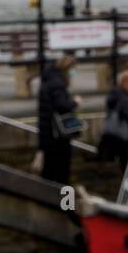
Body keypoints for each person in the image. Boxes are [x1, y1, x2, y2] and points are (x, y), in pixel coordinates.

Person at [38, 53, 81, 186]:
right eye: (73, 69)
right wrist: (75, 103)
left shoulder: (49, 81)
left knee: (49, 174)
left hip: (48, 135)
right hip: (58, 136)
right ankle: (64, 205)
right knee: (62, 174)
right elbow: (62, 106)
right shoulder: (57, 85)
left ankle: (47, 202)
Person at [97, 70, 128, 171]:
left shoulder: (114, 95)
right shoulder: (125, 99)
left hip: (111, 136)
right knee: (127, 165)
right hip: (124, 138)